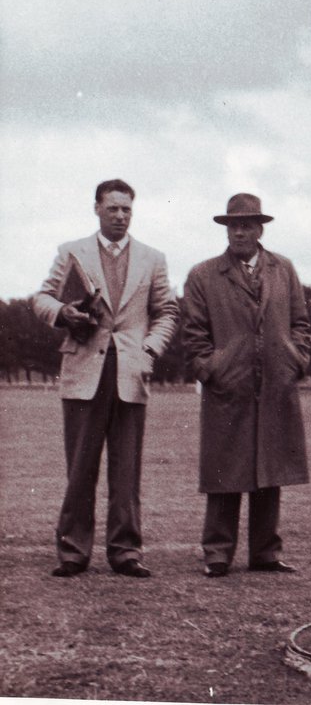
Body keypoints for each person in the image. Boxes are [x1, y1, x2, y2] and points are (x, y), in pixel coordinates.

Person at [33, 179, 179, 578]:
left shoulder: (153, 258)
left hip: (131, 371)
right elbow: (42, 297)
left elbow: (166, 311)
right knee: (80, 468)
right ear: (96, 208)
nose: (120, 216)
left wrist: (150, 349)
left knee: (127, 471)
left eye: (126, 209)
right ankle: (73, 552)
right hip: (83, 370)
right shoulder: (71, 251)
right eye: (112, 208)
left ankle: (126, 551)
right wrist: (63, 313)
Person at [183, 193, 311, 578]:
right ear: (226, 229)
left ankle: (265, 552)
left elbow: (300, 323)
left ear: (260, 229)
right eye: (234, 225)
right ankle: (217, 553)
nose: (240, 232)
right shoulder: (203, 275)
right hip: (228, 386)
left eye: (247, 225)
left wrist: (295, 359)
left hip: (275, 384)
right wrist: (212, 368)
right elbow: (194, 335)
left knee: (270, 468)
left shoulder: (283, 269)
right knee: (225, 470)